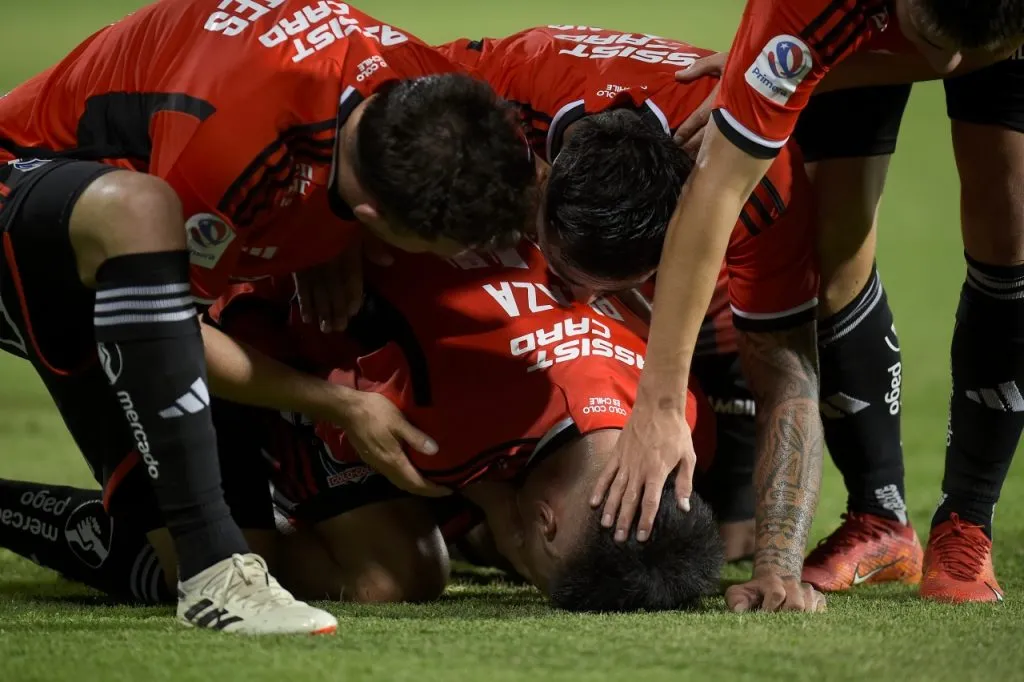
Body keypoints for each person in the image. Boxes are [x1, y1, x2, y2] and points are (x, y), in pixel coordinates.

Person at [0, 0, 536, 632]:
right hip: (35, 213)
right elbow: (170, 338)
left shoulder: (422, 84)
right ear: (375, 217)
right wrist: (338, 405)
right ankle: (210, 568)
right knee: (138, 211)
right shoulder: (230, 152)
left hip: (182, 240)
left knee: (388, 575)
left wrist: (324, 239)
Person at [569, 0, 1024, 612]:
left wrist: (804, 72)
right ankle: (880, 516)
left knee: (1010, 238)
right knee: (829, 252)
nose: (940, 56)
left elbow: (949, 55)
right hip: (848, 22)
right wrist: (661, 403)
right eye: (924, 31)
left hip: (972, 38)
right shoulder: (802, 6)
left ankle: (967, 521)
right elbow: (715, 192)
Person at [0, 240, 744, 612]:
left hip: (381, 280)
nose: (524, 576)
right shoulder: (446, 427)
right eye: (534, 569)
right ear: (545, 520)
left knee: (447, 535)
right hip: (210, 305)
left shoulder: (681, 415)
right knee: (383, 575)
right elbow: (358, 426)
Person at [439, 26, 831, 608]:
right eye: (560, 265)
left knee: (732, 535)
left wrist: (779, 567)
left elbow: (789, 376)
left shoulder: (764, 188)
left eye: (608, 288)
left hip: (718, 280)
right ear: (544, 176)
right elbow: (357, 95)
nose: (576, 297)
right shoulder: (502, 86)